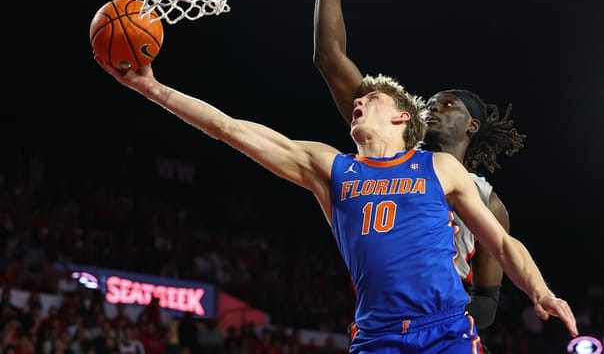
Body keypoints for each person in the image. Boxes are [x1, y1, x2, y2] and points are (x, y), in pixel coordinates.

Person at [95, 54, 578, 353]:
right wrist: (151, 88)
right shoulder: (331, 168)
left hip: (445, 331)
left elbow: (503, 244)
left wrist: (540, 291)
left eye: (372, 99)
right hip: (376, 337)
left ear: (402, 117)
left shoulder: (438, 167)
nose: (358, 103)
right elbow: (228, 128)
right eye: (356, 102)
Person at [313, 0, 526, 332]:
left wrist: (439, 322)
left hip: (441, 326)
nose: (433, 107)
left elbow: (486, 303)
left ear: (472, 126)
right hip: (383, 318)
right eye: (431, 102)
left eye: (448, 104)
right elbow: (330, 56)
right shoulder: (391, 142)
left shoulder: (487, 201)